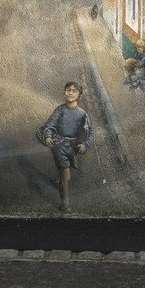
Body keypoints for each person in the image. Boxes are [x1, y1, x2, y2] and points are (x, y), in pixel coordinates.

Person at [39, 81, 95, 211]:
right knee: (66, 175)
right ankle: (65, 204)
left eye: (74, 90)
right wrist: (47, 136)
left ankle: (58, 178)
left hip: (73, 147)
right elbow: (49, 125)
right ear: (64, 93)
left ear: (79, 96)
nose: (70, 92)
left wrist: (85, 144)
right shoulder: (60, 110)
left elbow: (91, 131)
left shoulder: (82, 114)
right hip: (59, 145)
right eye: (68, 90)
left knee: (63, 171)